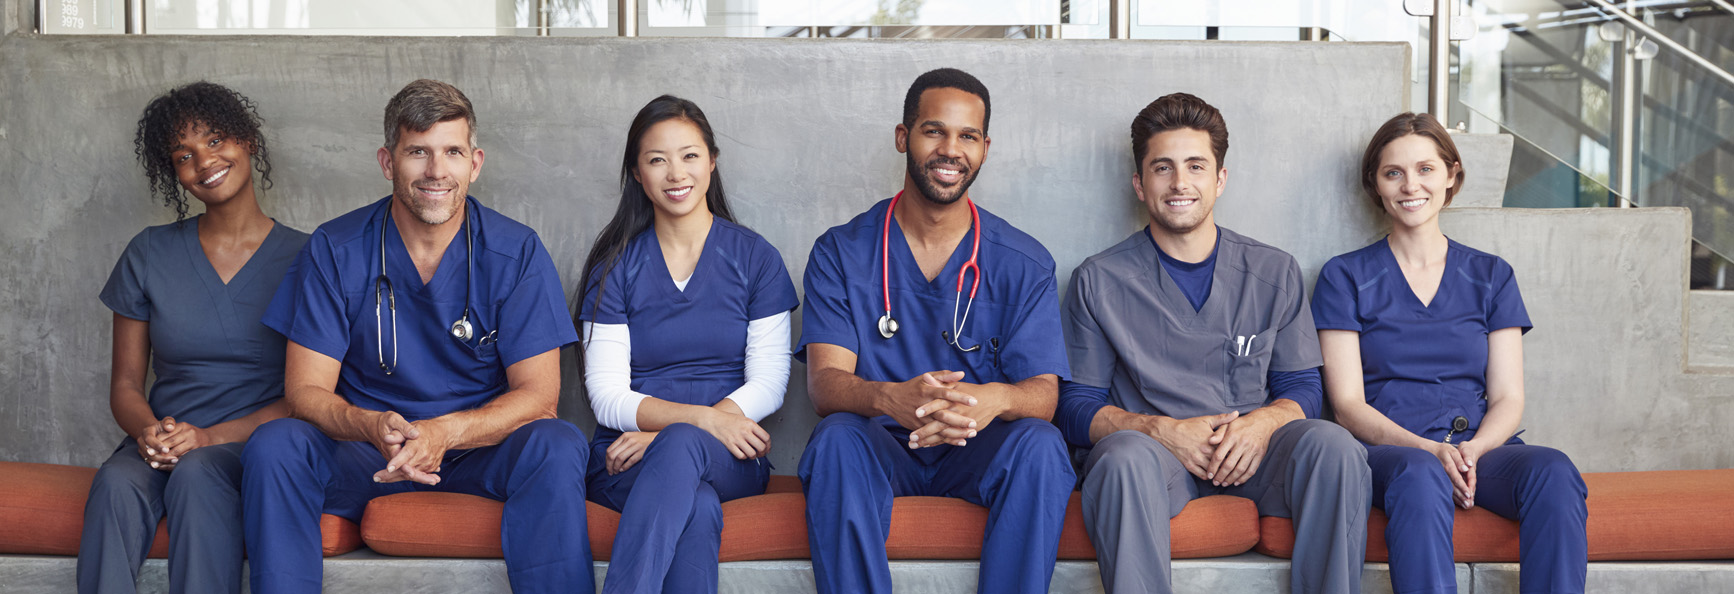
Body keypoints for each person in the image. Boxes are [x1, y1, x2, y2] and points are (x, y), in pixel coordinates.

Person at [241, 79, 592, 594]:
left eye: (452, 151)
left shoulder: (516, 252)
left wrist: (444, 433)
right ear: (388, 162)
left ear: (475, 163)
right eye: (418, 152)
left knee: (556, 443)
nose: (436, 171)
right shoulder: (335, 248)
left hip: (478, 453)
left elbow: (540, 399)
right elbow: (304, 392)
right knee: (275, 445)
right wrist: (369, 424)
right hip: (369, 451)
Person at [1056, 92, 1371, 594]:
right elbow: (1075, 405)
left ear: (1219, 180)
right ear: (1140, 184)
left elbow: (1304, 387)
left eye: (1196, 166)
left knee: (1334, 446)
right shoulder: (1099, 280)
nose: (1180, 183)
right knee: (1121, 459)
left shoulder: (1273, 271)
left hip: (1256, 458)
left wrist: (1262, 424)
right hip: (1155, 462)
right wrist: (1160, 430)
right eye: (1163, 168)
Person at [795, 67, 1075, 594]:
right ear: (903, 137)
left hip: (978, 448)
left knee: (1041, 445)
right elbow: (824, 386)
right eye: (934, 131)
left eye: (967, 136)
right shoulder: (841, 252)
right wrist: (889, 398)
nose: (951, 149)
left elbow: (1044, 395)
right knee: (835, 440)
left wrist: (990, 400)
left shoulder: (1022, 261)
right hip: (882, 446)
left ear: (985, 148)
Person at [1312, 112, 1588, 594]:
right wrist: (1428, 450)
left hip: (1475, 451)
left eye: (1425, 169)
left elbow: (1508, 398)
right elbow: (1347, 406)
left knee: (1554, 470)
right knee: (1421, 475)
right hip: (1391, 455)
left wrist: (1474, 450)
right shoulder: (1344, 277)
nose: (1409, 185)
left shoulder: (1491, 275)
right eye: (1392, 172)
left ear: (1451, 175)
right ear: (1375, 184)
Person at [79, 81, 308, 594]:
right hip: (161, 441)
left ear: (246, 139)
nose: (203, 162)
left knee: (198, 473)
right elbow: (125, 385)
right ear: (174, 174)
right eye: (183, 155)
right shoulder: (149, 253)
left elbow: (310, 397)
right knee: (115, 482)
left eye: (214, 140)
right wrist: (149, 435)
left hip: (248, 444)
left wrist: (206, 439)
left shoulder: (308, 259)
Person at [575, 95, 798, 594]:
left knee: (680, 450)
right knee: (695, 506)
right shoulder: (614, 268)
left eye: (690, 156)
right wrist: (701, 420)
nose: (676, 173)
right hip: (623, 457)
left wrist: (682, 436)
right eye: (657, 159)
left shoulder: (756, 258)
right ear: (637, 172)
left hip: (733, 456)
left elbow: (770, 382)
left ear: (712, 161)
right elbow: (606, 396)